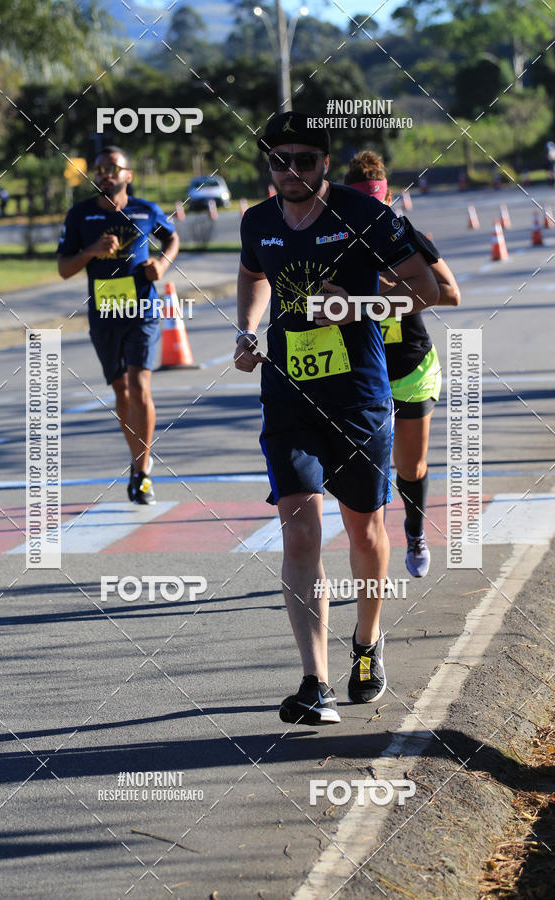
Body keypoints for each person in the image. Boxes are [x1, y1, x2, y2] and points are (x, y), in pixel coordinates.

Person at [234, 112, 440, 726]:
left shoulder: (365, 214)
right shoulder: (257, 221)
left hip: (357, 396)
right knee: (299, 531)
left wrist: (356, 306)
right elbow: (252, 275)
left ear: (325, 161)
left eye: (304, 159)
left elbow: (425, 288)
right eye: (278, 160)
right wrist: (247, 329)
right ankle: (313, 682)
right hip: (288, 395)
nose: (290, 170)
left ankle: (368, 643)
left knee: (364, 532)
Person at [345, 151, 461, 577]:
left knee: (409, 467)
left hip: (410, 367)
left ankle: (414, 531)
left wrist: (388, 284)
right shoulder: (331, 237)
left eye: (378, 203)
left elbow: (450, 293)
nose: (371, 213)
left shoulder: (402, 233)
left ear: (388, 197)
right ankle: (370, 553)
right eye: (362, 204)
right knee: (365, 471)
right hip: (357, 370)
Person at [57, 145, 180, 503]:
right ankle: (137, 458)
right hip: (104, 314)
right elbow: (64, 269)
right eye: (99, 168)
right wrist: (91, 251)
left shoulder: (145, 210)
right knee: (121, 391)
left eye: (112, 167)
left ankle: (141, 473)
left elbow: (172, 237)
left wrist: (163, 263)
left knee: (140, 386)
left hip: (143, 310)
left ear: (128, 175)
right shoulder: (80, 215)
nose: (104, 174)